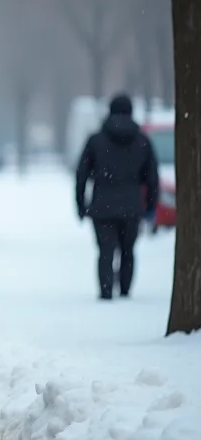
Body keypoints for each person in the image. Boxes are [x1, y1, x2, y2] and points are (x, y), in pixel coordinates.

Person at [75, 94, 159, 300]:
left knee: (105, 251)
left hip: (102, 205)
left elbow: (82, 174)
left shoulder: (96, 140)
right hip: (132, 205)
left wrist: (80, 204)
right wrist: (150, 207)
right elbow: (152, 178)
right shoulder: (142, 141)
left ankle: (105, 292)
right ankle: (124, 290)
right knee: (128, 251)